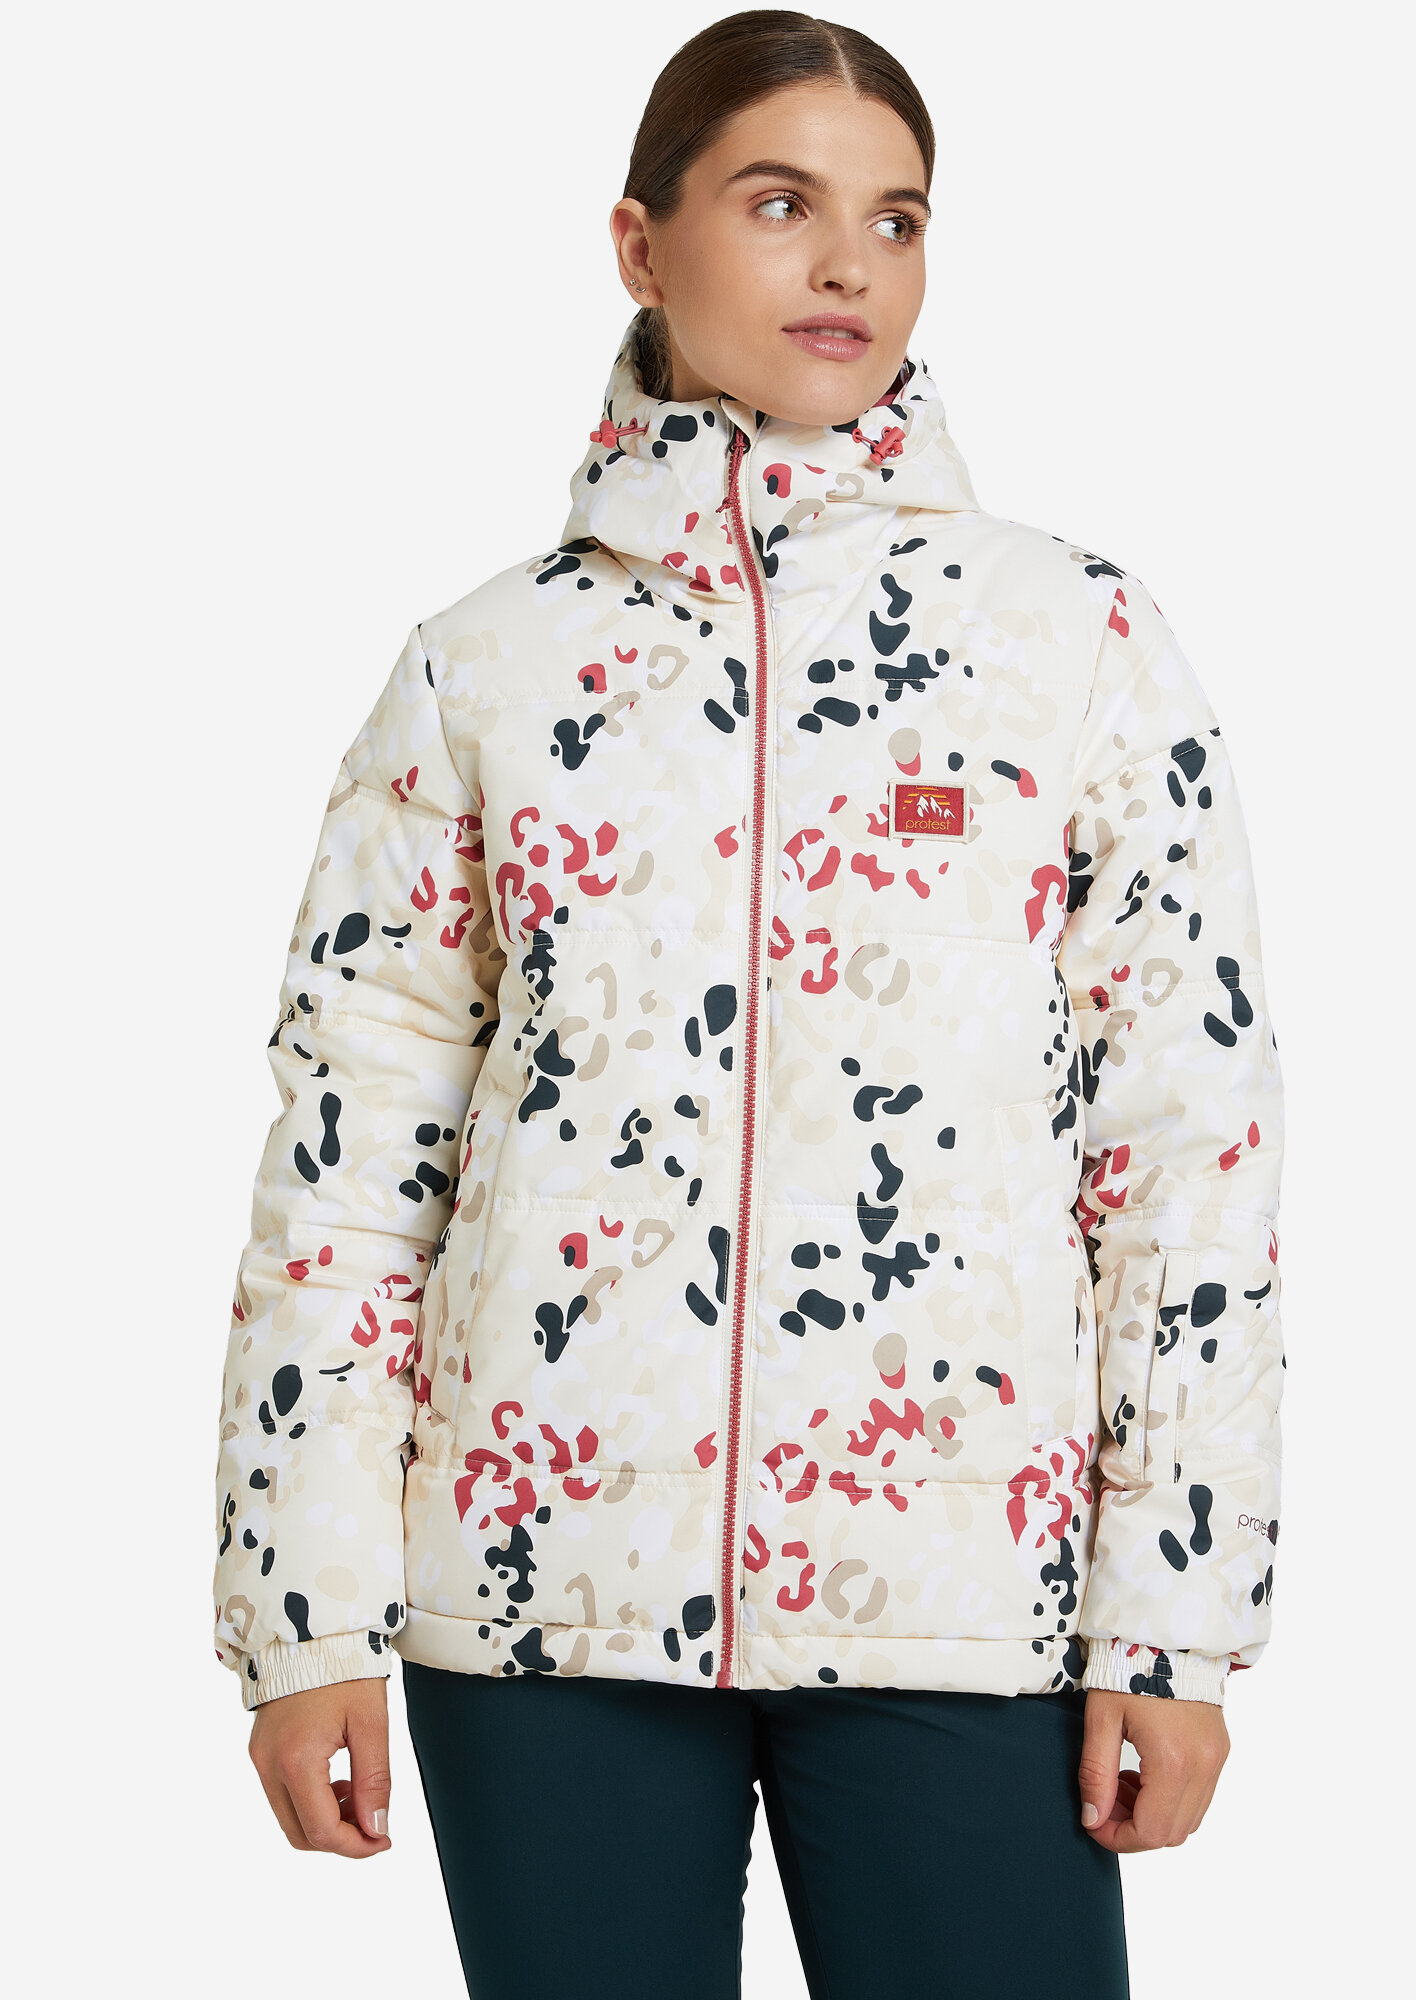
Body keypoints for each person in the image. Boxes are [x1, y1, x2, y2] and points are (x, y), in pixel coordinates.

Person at [213, 12, 1286, 1996]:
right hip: (540, 1594)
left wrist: (1175, 1615)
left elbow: (1187, 1154)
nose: (847, 262)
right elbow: (353, 1164)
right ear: (640, 244)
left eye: (897, 217)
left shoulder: (1077, 643)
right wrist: (304, 1613)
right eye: (780, 203)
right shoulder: (482, 669)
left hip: (970, 1587)